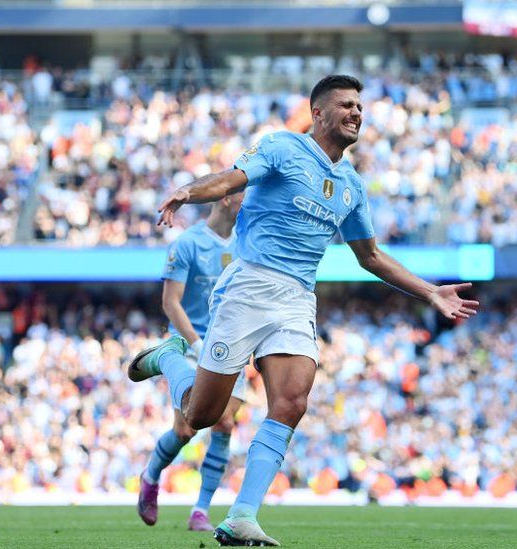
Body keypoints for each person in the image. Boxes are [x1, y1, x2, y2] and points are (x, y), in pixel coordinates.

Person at [125, 75, 478, 546]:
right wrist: (189, 192)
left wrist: (430, 291)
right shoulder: (282, 147)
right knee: (201, 415)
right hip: (249, 284)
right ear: (318, 113)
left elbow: (370, 256)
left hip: (296, 298)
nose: (356, 113)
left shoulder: (351, 185)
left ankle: (242, 516)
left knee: (292, 402)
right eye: (346, 105)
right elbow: (232, 177)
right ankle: (169, 356)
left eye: (360, 106)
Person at [136, 193, 247, 531]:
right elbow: (171, 303)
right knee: (185, 429)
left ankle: (201, 509)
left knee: (225, 424)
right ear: (226, 199)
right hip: (188, 345)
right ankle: (151, 474)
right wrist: (199, 346)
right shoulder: (188, 243)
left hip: (230, 346)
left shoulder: (247, 240)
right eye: (245, 192)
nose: (251, 198)